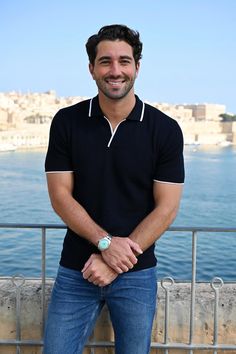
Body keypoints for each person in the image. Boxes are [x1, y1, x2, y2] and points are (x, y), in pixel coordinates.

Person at [43, 24, 185, 354]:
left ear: (137, 66)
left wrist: (114, 259)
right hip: (76, 269)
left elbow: (167, 208)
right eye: (105, 61)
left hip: (137, 275)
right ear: (92, 68)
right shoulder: (67, 122)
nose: (115, 70)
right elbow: (60, 195)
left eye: (124, 61)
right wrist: (105, 243)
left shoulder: (164, 129)